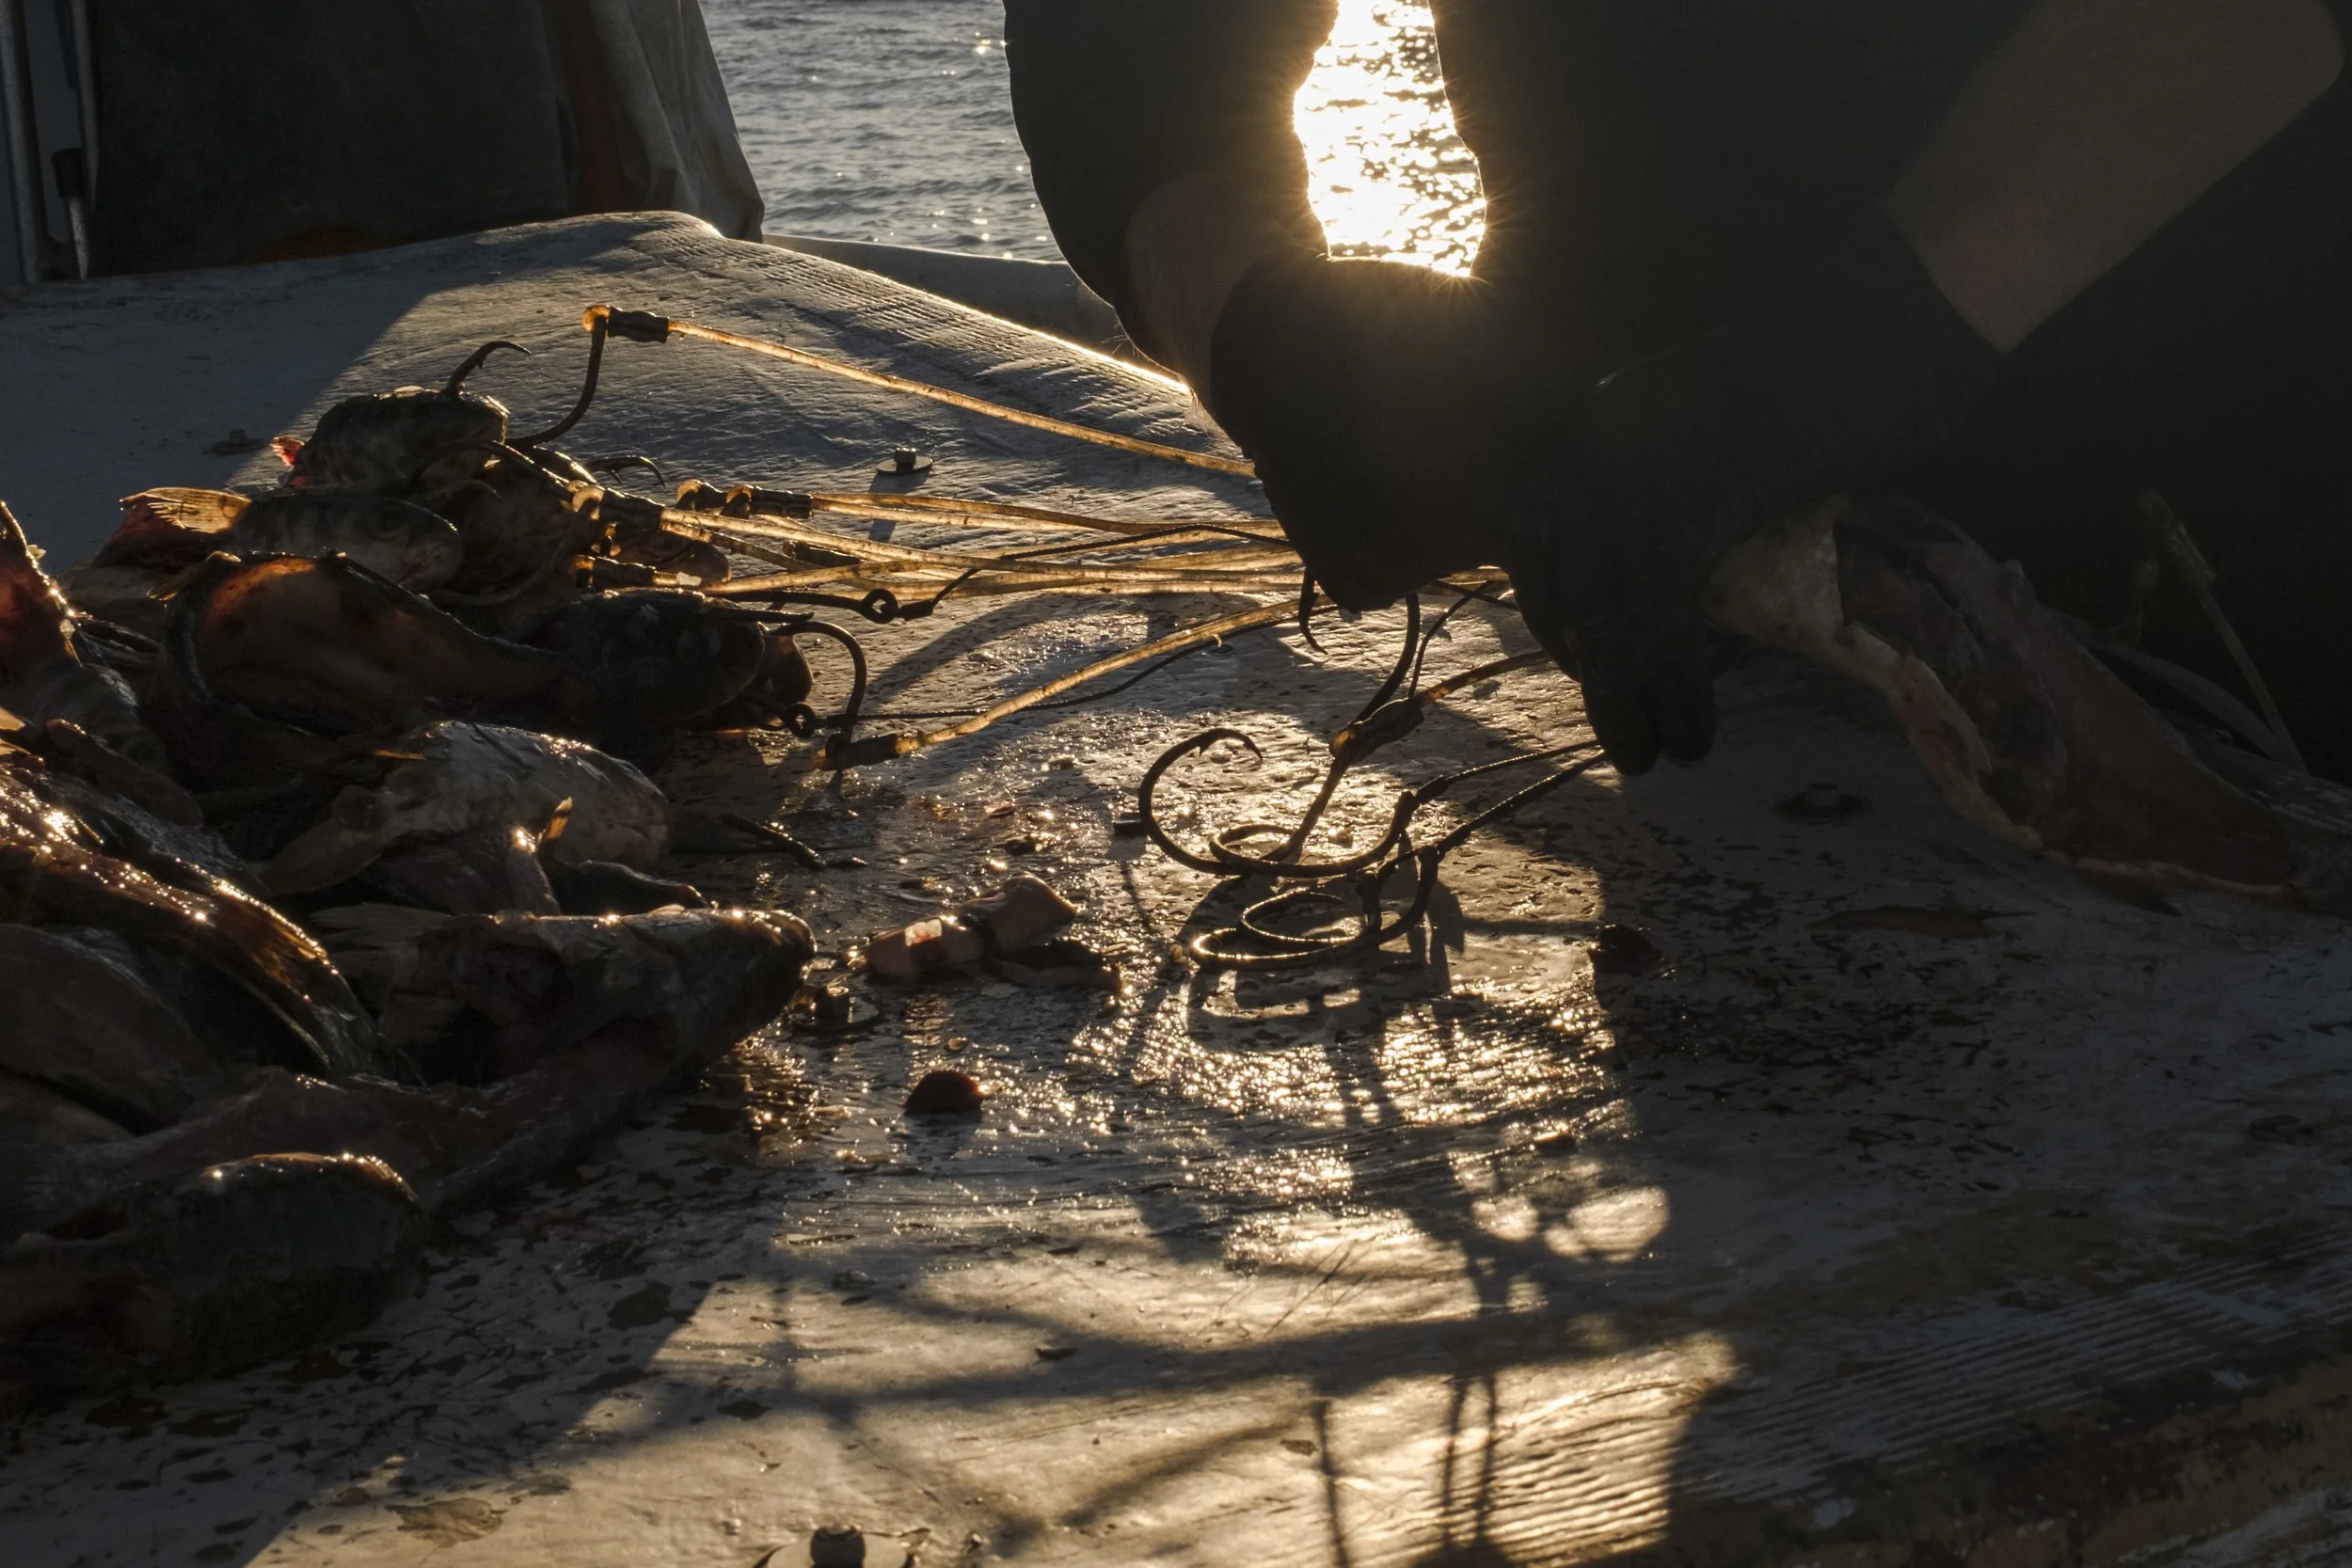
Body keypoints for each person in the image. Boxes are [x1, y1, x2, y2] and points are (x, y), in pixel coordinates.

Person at [1002, 2, 2352, 781]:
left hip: (2243, 572)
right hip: (1644, 584)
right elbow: (1136, 54)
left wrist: (1887, 331)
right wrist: (1257, 320)